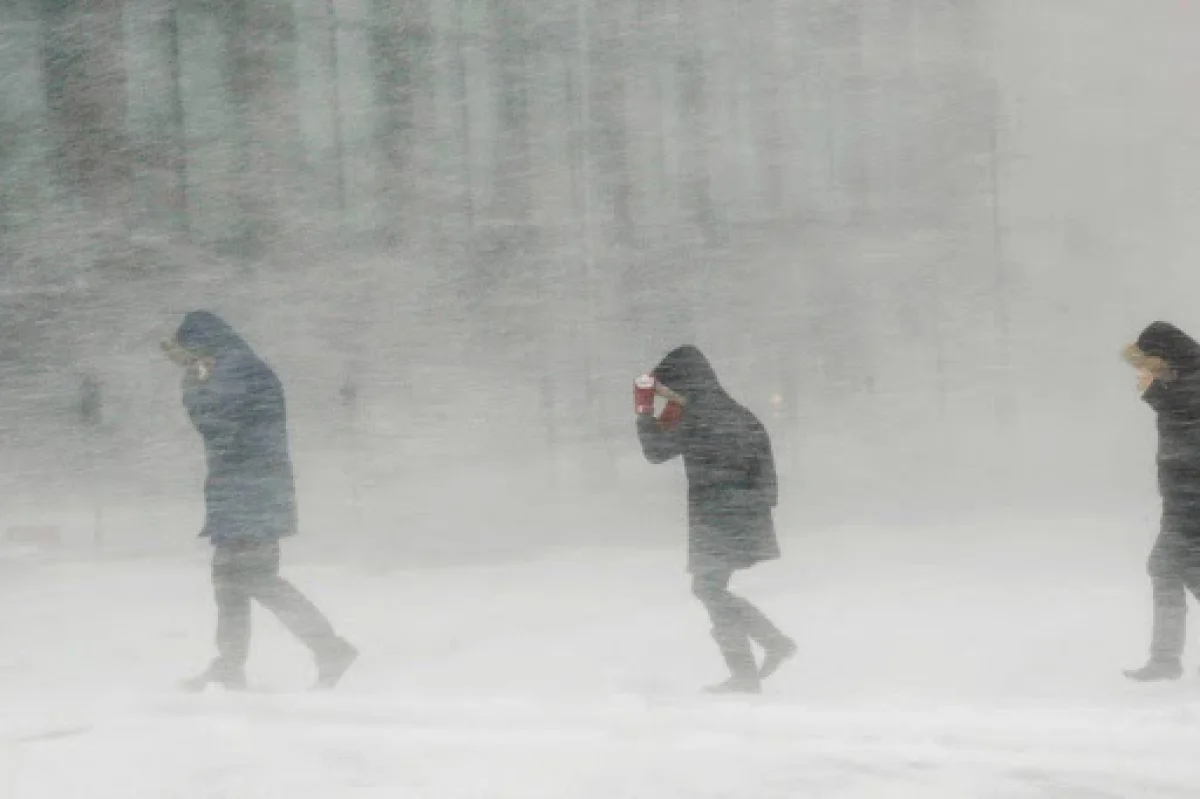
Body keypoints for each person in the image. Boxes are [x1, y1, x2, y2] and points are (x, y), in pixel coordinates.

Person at [162, 311, 357, 691]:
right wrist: (197, 374)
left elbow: (218, 426)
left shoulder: (236, 369)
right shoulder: (237, 366)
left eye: (190, 349)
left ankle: (329, 649)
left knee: (254, 578)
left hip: (251, 493)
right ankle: (230, 665)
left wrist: (193, 379)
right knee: (229, 582)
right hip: (246, 492)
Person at [634, 345, 795, 694]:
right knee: (711, 589)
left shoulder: (694, 415)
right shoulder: (736, 412)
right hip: (745, 515)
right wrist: (758, 509)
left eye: (669, 386)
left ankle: (758, 660)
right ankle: (759, 659)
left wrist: (645, 410)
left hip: (717, 516)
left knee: (708, 588)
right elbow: (765, 468)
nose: (668, 394)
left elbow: (655, 452)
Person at [1123, 321, 1200, 682]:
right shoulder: (1179, 381)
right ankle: (1165, 659)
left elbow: (1181, 415)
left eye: (1151, 363)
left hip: (1194, 499)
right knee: (1171, 568)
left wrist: (1156, 388)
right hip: (1181, 498)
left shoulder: (1191, 385)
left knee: (1168, 566)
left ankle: (1166, 659)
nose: (1145, 373)